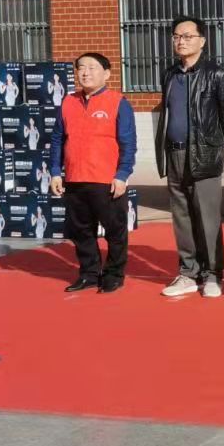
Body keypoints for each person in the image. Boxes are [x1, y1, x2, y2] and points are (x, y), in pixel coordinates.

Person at [155, 15, 224, 299]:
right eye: (177, 36)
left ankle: (213, 274)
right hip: (174, 153)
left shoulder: (217, 75)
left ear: (202, 41)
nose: (181, 41)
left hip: (204, 155)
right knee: (182, 217)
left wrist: (215, 147)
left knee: (207, 218)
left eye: (188, 36)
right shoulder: (169, 74)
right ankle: (188, 272)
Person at [49, 52, 137, 294]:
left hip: (106, 180)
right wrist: (55, 171)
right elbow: (57, 140)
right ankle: (88, 274)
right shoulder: (68, 102)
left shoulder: (118, 102)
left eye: (92, 67)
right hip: (75, 179)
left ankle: (114, 274)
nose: (85, 72)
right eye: (80, 68)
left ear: (107, 74)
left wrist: (122, 174)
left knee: (115, 232)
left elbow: (128, 143)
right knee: (81, 231)